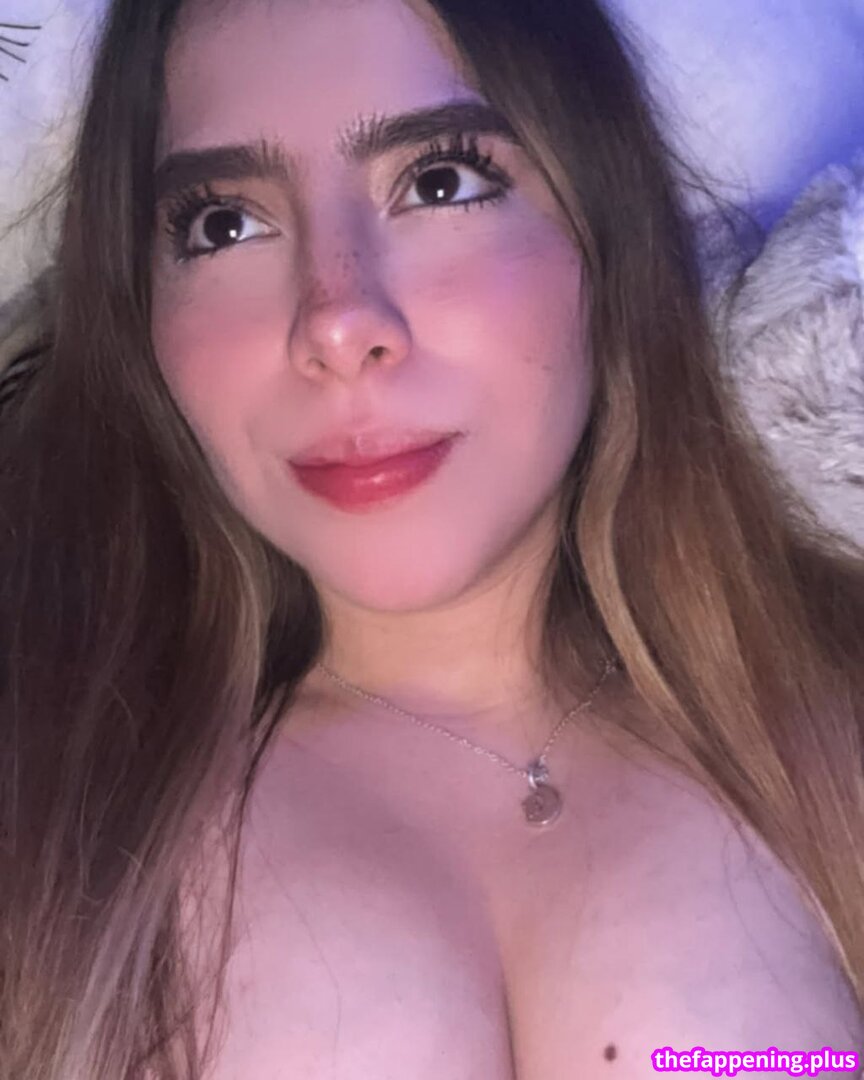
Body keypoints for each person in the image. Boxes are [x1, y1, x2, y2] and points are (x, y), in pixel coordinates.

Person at [1, 0, 863, 1077]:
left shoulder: (833, 722)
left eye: (442, 182)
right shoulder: (41, 795)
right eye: (222, 225)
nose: (336, 322)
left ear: (606, 233)